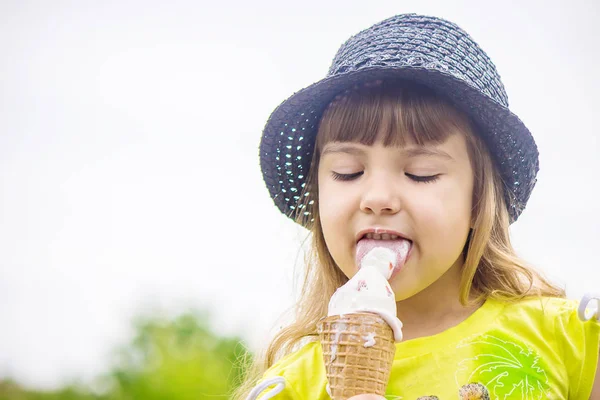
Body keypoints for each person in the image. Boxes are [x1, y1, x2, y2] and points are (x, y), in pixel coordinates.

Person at [233, 14, 600, 400]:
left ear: (478, 202)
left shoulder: (570, 341)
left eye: (421, 174)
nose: (377, 198)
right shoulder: (293, 385)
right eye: (348, 171)